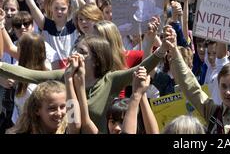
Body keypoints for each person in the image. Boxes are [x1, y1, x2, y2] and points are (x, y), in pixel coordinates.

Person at [0, 34, 167, 133]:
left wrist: (162, 49)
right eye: (75, 49)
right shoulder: (66, 75)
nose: (74, 54)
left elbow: (140, 69)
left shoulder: (110, 80)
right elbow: (30, 75)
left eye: (82, 52)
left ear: (96, 60)